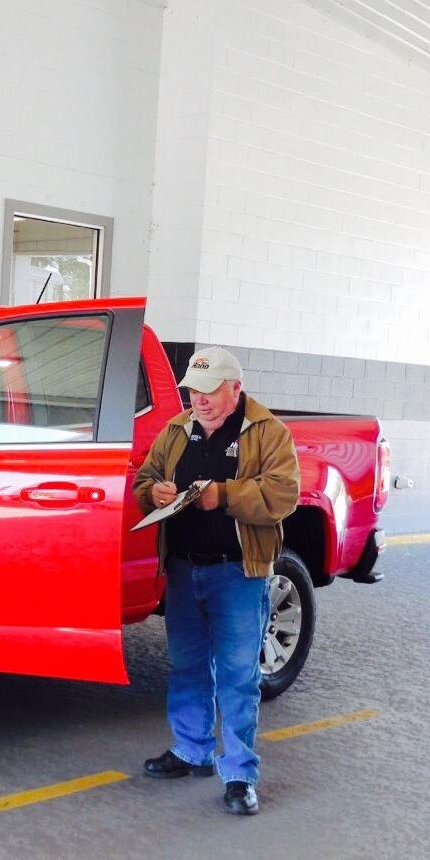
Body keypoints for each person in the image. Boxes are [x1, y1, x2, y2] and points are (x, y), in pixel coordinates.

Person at [132, 346, 300, 815]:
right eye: (193, 391)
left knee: (238, 677)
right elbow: (144, 480)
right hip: (184, 569)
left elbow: (284, 494)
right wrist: (154, 492)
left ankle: (241, 774)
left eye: (209, 391)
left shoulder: (268, 432)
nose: (199, 400)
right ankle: (192, 750)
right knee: (186, 666)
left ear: (235, 389)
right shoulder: (176, 429)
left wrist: (221, 496)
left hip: (238, 572)